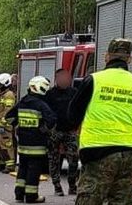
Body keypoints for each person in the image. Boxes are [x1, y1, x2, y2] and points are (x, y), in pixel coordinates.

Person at [67, 39, 132, 205]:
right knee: (122, 200)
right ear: (129, 59)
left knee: (89, 199)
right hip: (128, 155)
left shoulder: (93, 80)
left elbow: (72, 115)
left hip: (97, 152)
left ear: (106, 57)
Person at [7, 75, 58, 204]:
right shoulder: (41, 104)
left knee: (23, 169)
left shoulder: (22, 102)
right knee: (34, 171)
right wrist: (44, 129)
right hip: (37, 145)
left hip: (23, 144)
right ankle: (31, 196)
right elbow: (52, 119)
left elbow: (8, 117)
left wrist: (18, 125)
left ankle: (19, 194)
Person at [46, 68, 80, 196]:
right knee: (54, 160)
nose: (64, 80)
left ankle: (72, 185)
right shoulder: (50, 95)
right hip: (55, 131)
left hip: (70, 131)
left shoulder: (74, 93)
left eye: (66, 78)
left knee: (73, 159)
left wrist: (76, 126)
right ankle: (57, 186)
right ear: (56, 79)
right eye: (61, 78)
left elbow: (79, 110)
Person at [0, 72, 17, 173]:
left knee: (6, 145)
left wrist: (4, 122)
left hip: (5, 126)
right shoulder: (0, 95)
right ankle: (1, 163)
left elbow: (8, 110)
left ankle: (10, 165)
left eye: (1, 85)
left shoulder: (9, 95)